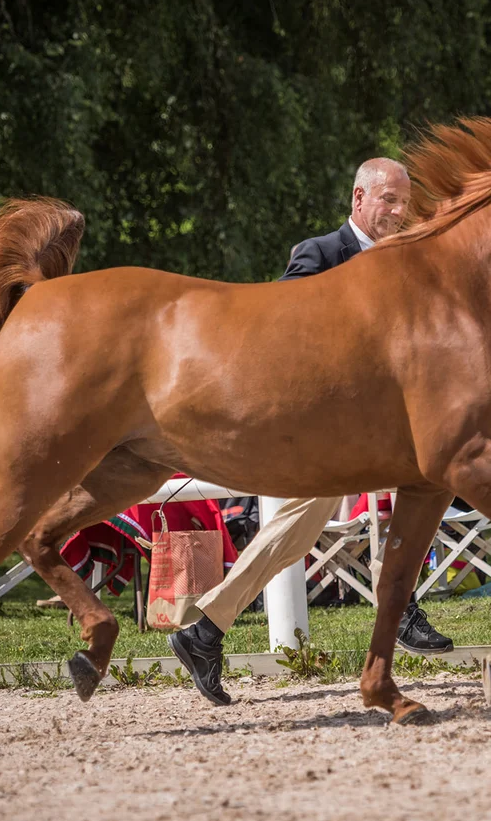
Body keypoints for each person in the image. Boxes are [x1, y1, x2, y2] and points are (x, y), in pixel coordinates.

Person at [170, 158, 454, 706]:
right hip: (326, 425)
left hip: (386, 419)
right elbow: (284, 329)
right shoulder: (320, 254)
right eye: (389, 201)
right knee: (322, 517)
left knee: (315, 523)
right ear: (358, 200)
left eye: (405, 202)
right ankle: (400, 608)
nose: (400, 212)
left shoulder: (411, 259)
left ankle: (206, 631)